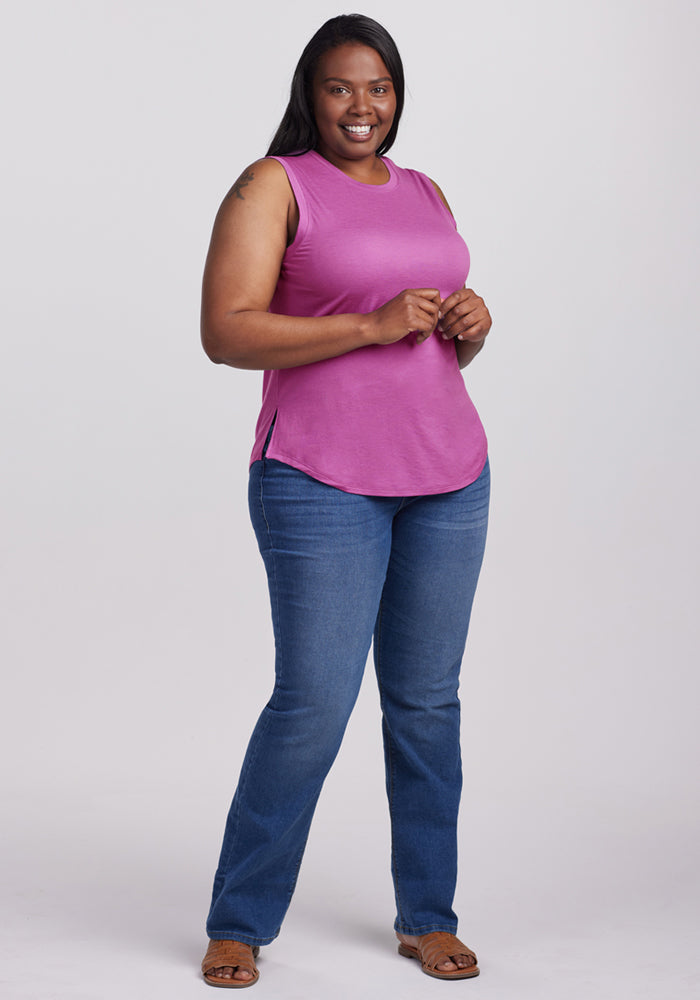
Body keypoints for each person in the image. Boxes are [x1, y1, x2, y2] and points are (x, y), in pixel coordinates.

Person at [199, 13, 492, 988]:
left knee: (427, 705)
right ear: (311, 95)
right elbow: (226, 333)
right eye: (340, 87)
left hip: (447, 475)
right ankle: (239, 920)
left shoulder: (425, 190)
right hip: (319, 478)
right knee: (314, 703)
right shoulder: (273, 185)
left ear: (397, 96)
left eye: (379, 87)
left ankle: (428, 917)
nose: (362, 106)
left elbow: (433, 347)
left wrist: (470, 326)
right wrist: (368, 324)